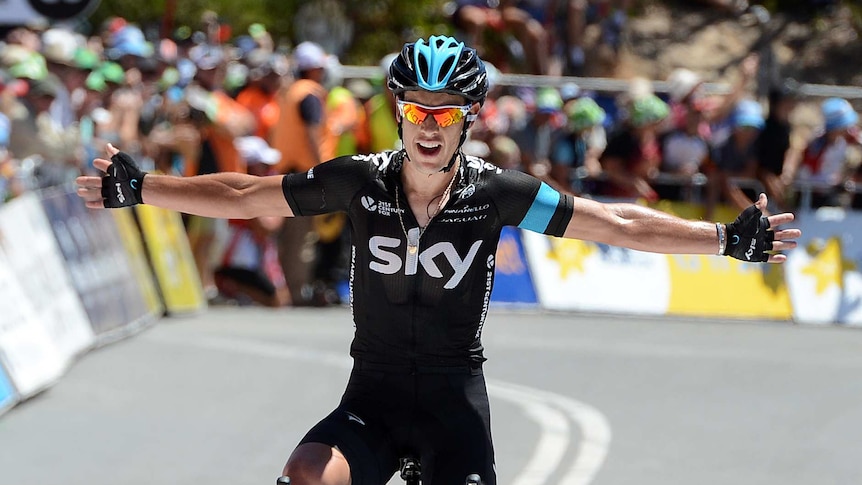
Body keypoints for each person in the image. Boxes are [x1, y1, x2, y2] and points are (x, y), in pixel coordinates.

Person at [76, 35, 800, 485]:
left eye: (445, 112)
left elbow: (613, 222)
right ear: (398, 110)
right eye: (417, 109)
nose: (429, 125)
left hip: (455, 405)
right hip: (373, 398)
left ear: (469, 119)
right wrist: (142, 187)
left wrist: (721, 238)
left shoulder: (499, 195)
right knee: (304, 474)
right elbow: (245, 191)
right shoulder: (360, 180)